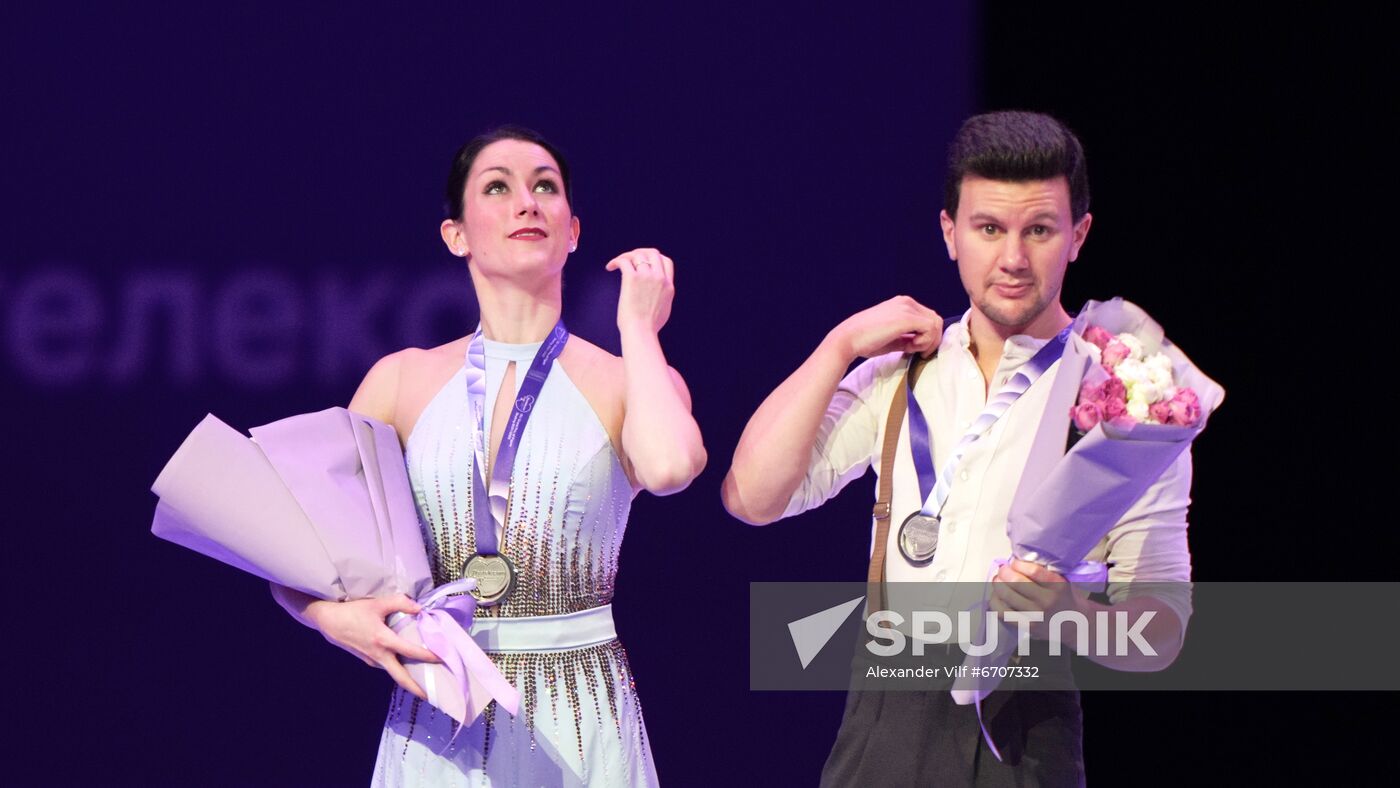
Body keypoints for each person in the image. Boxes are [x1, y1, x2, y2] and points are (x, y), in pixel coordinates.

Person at [721, 111, 1193, 787]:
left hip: (1027, 721)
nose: (1012, 259)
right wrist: (839, 346)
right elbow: (753, 497)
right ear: (950, 233)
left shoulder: (1129, 397)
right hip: (885, 710)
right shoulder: (900, 369)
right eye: (989, 228)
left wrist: (1072, 618)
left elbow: (1163, 633)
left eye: (1039, 230)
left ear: (1078, 236)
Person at [271, 125, 706, 786]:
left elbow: (672, 467)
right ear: (457, 235)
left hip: (584, 714)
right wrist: (334, 620)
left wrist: (638, 330)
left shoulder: (628, 380)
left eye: (545, 188)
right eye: (498, 187)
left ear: (574, 231)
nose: (527, 203)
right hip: (440, 712)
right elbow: (295, 544)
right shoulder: (400, 380)